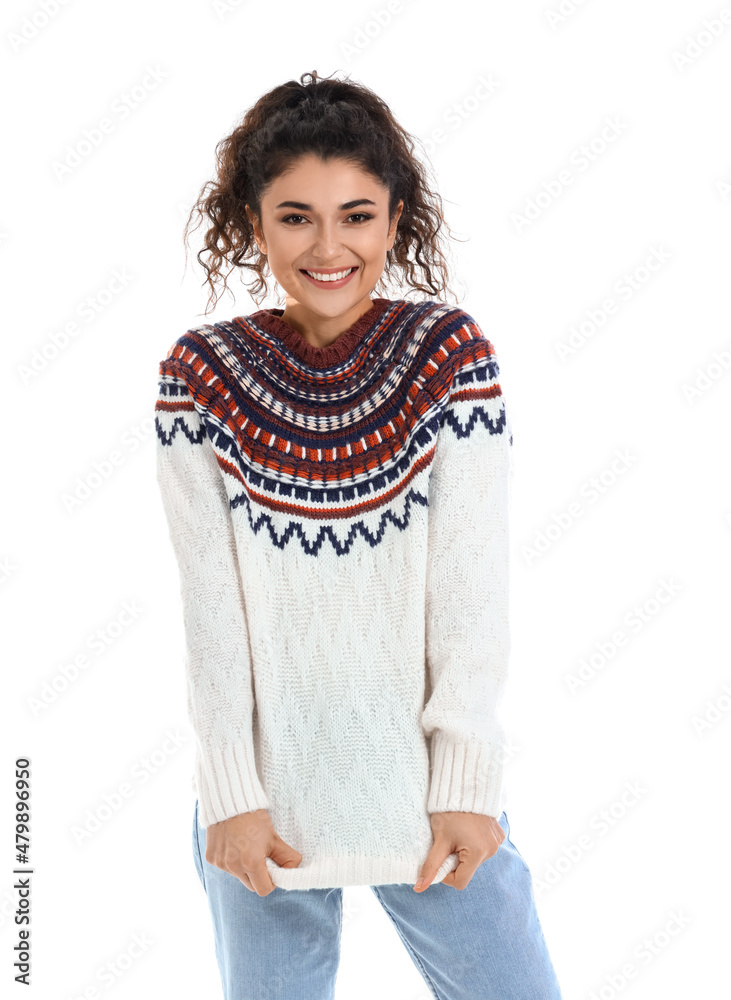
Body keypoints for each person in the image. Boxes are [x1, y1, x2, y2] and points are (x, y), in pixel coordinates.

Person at [155, 70, 564, 1000]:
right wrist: (231, 794)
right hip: (262, 809)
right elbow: (209, 607)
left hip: (429, 799)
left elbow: (468, 586)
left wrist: (464, 782)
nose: (328, 245)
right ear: (251, 223)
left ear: (394, 220)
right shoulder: (199, 375)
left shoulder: (449, 357)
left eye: (356, 215)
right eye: (295, 216)